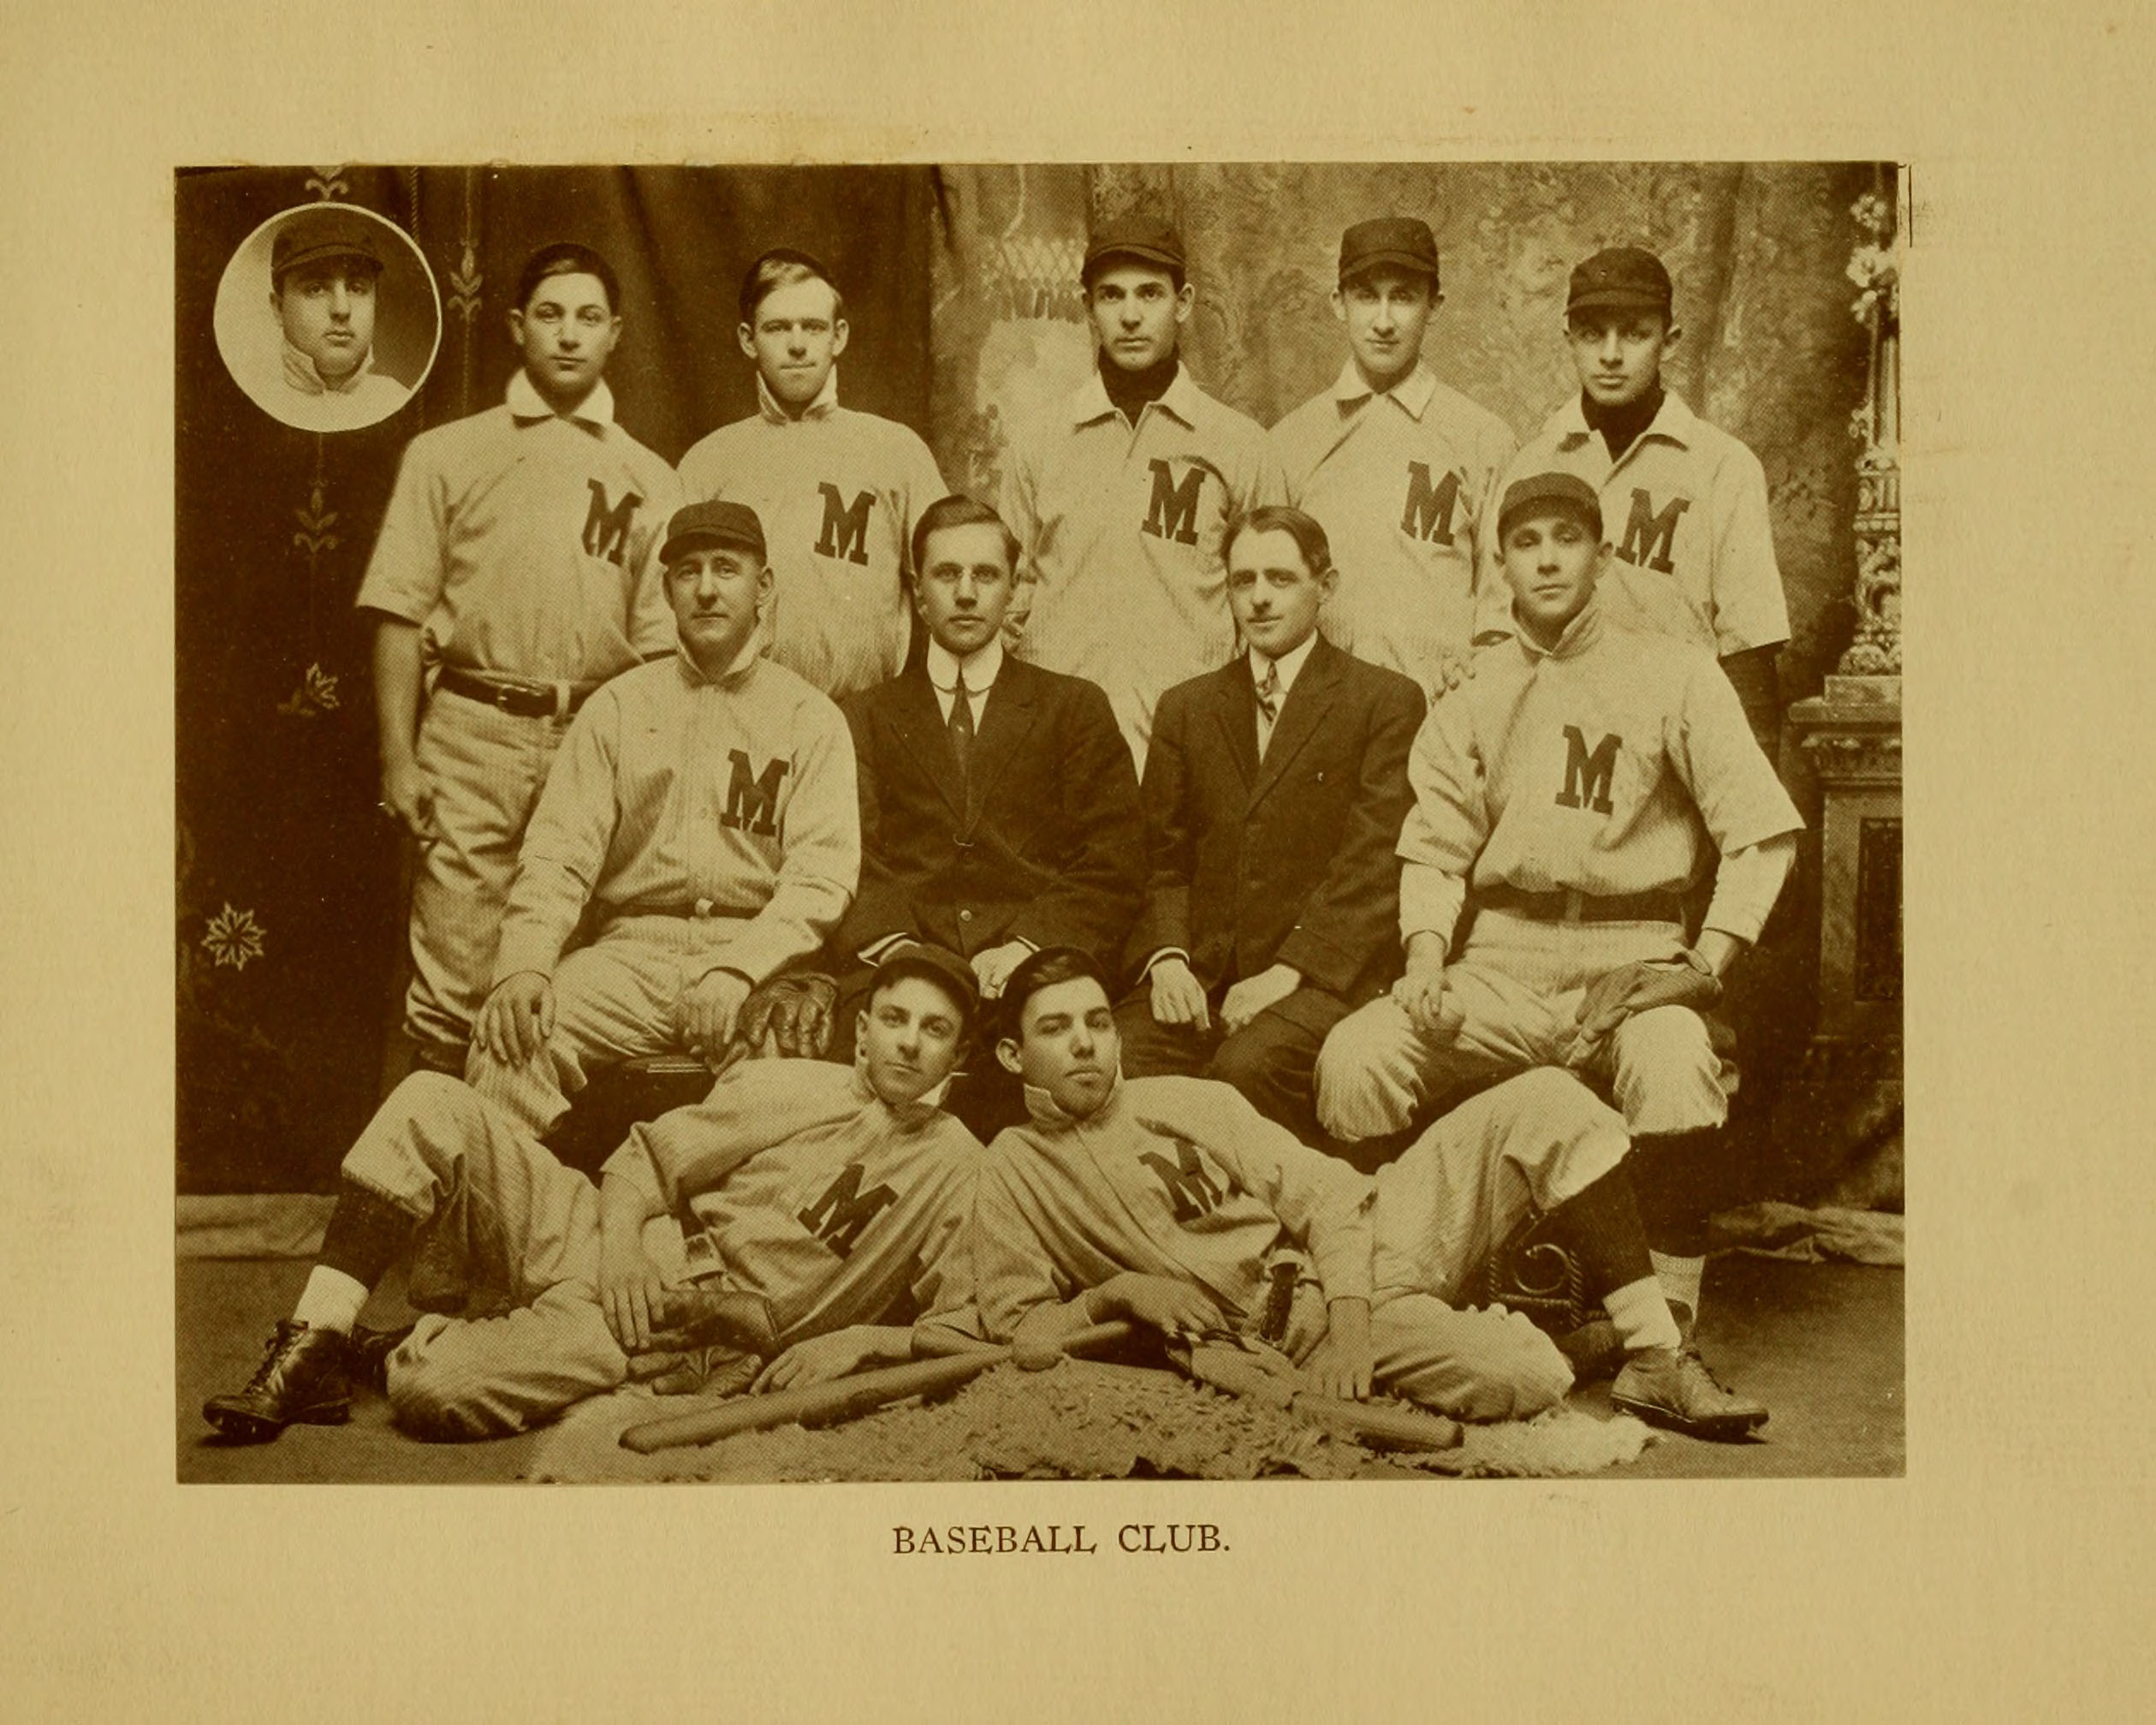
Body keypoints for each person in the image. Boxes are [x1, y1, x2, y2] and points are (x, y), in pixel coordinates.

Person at [1314, 471, 1802, 1419]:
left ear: (1602, 555)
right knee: (1357, 1055)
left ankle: (1663, 1345)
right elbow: (1433, 845)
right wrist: (1422, 956)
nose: (1545, 556)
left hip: (1633, 945)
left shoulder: (1674, 667)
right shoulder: (1470, 686)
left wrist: (1706, 961)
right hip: (1497, 953)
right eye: (1526, 540)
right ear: (1498, 564)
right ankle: (1384, 1305)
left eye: (1566, 539)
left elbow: (1760, 828)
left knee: (1672, 1061)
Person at [200, 943, 986, 1443]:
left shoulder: (960, 1167)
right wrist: (618, 1254)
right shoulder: (798, 1086)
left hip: (680, 1333)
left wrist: (858, 1340)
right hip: (627, 1249)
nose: (909, 1041)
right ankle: (313, 1343)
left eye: (934, 1028)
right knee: (431, 1100)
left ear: (962, 1050)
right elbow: (645, 1158)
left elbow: (962, 1319)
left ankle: (386, 1349)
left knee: (429, 1390)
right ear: (864, 1031)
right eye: (893, 1018)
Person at [975, 947, 1756, 1431]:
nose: (1083, 1042)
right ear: (1012, 1055)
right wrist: (1117, 1292)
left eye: (1096, 1023)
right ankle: (1584, 1339)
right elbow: (1022, 1327)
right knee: (1528, 1376)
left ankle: (1655, 1354)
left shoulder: (1184, 1097)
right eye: (1054, 1029)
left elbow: (1326, 1197)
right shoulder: (1009, 1167)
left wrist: (1350, 1320)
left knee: (1549, 1095)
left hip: (1371, 1233)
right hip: (1288, 1331)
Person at [357, 241, 681, 1061]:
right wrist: (399, 755)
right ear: (515, 327)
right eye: (548, 314)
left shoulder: (649, 475)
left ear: (615, 334)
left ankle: (526, 1182)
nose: (568, 335)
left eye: (587, 317)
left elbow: (656, 656)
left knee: (560, 971)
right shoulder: (449, 453)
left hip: (594, 736)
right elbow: (399, 611)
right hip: (472, 728)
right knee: (454, 970)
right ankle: (434, 1179)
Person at [460, 498, 858, 1139]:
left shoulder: (809, 718)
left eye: (726, 568)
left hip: (755, 959)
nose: (705, 588)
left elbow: (822, 877)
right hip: (629, 956)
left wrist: (738, 968)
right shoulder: (617, 707)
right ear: (667, 590)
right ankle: (539, 1226)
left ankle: (699, 1231)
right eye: (687, 571)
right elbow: (559, 855)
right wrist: (527, 964)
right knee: (507, 1046)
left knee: (787, 1091)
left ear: (763, 588)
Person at [833, 494, 1144, 1136]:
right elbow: (847, 855)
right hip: (902, 961)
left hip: (1036, 969)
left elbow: (1113, 860)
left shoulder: (1073, 708)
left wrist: (1027, 946)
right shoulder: (863, 716)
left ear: (1015, 589)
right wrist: (909, 957)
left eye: (985, 575)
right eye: (946, 576)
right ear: (917, 593)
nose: (967, 593)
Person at [1116, 505, 1423, 1155]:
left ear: (1325, 586)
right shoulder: (1187, 706)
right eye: (1241, 580)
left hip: (1320, 977)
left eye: (1280, 579)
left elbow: (1372, 864)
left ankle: (1288, 1231)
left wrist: (1289, 970)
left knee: (1246, 1068)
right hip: (1202, 973)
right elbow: (1160, 859)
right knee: (1108, 1054)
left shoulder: (1383, 700)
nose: (1257, 598)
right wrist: (1168, 959)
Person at [999, 217, 1284, 772]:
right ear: (1087, 308)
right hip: (1057, 746)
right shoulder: (1038, 441)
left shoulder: (1238, 443)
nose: (1130, 315)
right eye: (1111, 296)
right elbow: (1008, 595)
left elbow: (1273, 602)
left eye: (1150, 294)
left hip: (1192, 745)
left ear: (1183, 303)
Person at [1484, 246, 1790, 761]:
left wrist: (1745, 808)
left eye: (1634, 333)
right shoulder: (1532, 464)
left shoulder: (1722, 466)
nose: (1610, 354)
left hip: (1675, 746)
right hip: (1552, 746)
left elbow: (1749, 654)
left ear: (1668, 341)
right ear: (1569, 340)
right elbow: (1496, 634)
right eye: (1591, 333)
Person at [675, 248, 948, 702]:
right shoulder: (708, 463)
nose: (798, 344)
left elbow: (947, 583)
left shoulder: (896, 452)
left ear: (838, 336)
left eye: (814, 327)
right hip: (737, 718)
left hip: (862, 719)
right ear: (748, 339)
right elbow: (674, 612)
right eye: (778, 328)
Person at [1269, 217, 1516, 698]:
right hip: (1317, 713)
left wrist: (1476, 680)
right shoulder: (1290, 441)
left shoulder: (1482, 438)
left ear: (1434, 306)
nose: (1383, 322)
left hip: (1436, 712)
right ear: (1338, 303)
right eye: (1366, 296)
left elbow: (1502, 599)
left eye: (1403, 297)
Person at [265, 207, 411, 431]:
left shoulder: (399, 400)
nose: (342, 309)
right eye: (315, 289)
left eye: (356, 288)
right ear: (279, 309)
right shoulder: (258, 399)